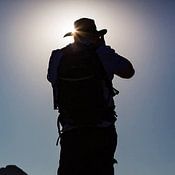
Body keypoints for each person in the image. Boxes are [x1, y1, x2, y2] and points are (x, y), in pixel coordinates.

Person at [47, 18, 135, 175]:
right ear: (95, 34)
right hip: (101, 130)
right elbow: (129, 71)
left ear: (74, 35)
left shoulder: (57, 56)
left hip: (71, 131)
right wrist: (103, 48)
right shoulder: (103, 53)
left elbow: (52, 79)